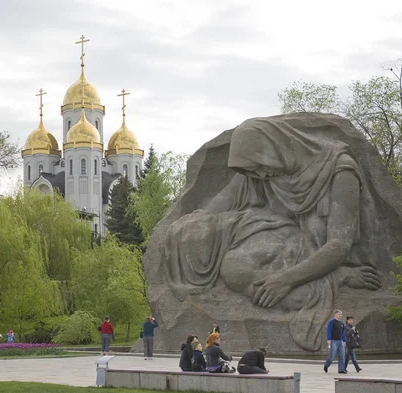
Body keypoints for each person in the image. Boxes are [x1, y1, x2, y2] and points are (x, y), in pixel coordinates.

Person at [165, 115, 386, 352]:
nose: (260, 176)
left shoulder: (340, 170)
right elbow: (211, 211)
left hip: (321, 254)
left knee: (239, 270)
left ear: (274, 147)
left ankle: (339, 277)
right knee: (235, 269)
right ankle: (322, 281)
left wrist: (284, 280)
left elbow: (339, 245)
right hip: (273, 241)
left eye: (260, 166)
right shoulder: (258, 172)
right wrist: (187, 231)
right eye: (253, 170)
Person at [323, 309, 347, 374]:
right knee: (332, 355)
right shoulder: (331, 322)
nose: (340, 315)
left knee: (342, 355)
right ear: (335, 314)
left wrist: (344, 340)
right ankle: (326, 365)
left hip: (340, 341)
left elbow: (343, 333)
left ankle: (341, 369)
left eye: (341, 314)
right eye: (339, 314)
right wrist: (328, 339)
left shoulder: (342, 323)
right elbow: (329, 330)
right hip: (333, 341)